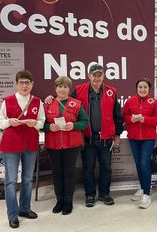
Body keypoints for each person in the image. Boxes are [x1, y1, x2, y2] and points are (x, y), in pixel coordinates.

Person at [45, 64, 123, 207]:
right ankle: (90, 195)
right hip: (88, 137)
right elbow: (66, 101)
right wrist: (52, 98)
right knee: (88, 168)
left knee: (106, 167)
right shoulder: (79, 90)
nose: (97, 78)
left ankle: (105, 194)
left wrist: (117, 134)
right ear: (89, 76)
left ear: (103, 76)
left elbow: (117, 115)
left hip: (106, 138)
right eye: (94, 75)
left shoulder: (112, 91)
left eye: (100, 75)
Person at [0, 70, 45, 229]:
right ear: (17, 84)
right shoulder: (8, 101)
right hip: (11, 144)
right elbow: (0, 121)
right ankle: (12, 214)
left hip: (30, 143)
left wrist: (35, 124)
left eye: (28, 82)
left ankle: (25, 208)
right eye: (22, 83)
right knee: (10, 181)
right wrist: (10, 121)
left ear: (32, 84)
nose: (25, 85)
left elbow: (42, 121)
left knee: (27, 179)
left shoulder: (38, 102)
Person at [43, 76, 88, 215]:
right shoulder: (47, 104)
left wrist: (73, 125)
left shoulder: (76, 104)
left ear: (69, 88)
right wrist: (50, 127)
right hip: (53, 145)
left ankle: (68, 201)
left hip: (72, 145)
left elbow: (85, 122)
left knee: (69, 173)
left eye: (65, 86)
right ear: (55, 88)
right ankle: (59, 200)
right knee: (57, 173)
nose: (62, 89)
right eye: (60, 86)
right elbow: (40, 124)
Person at [123, 78, 157, 209]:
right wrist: (132, 119)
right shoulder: (130, 101)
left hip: (148, 138)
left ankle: (146, 194)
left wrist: (144, 119)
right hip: (134, 138)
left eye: (145, 87)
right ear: (136, 88)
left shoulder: (154, 102)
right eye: (140, 87)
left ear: (149, 88)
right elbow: (124, 117)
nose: (142, 89)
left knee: (145, 163)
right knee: (139, 164)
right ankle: (142, 187)